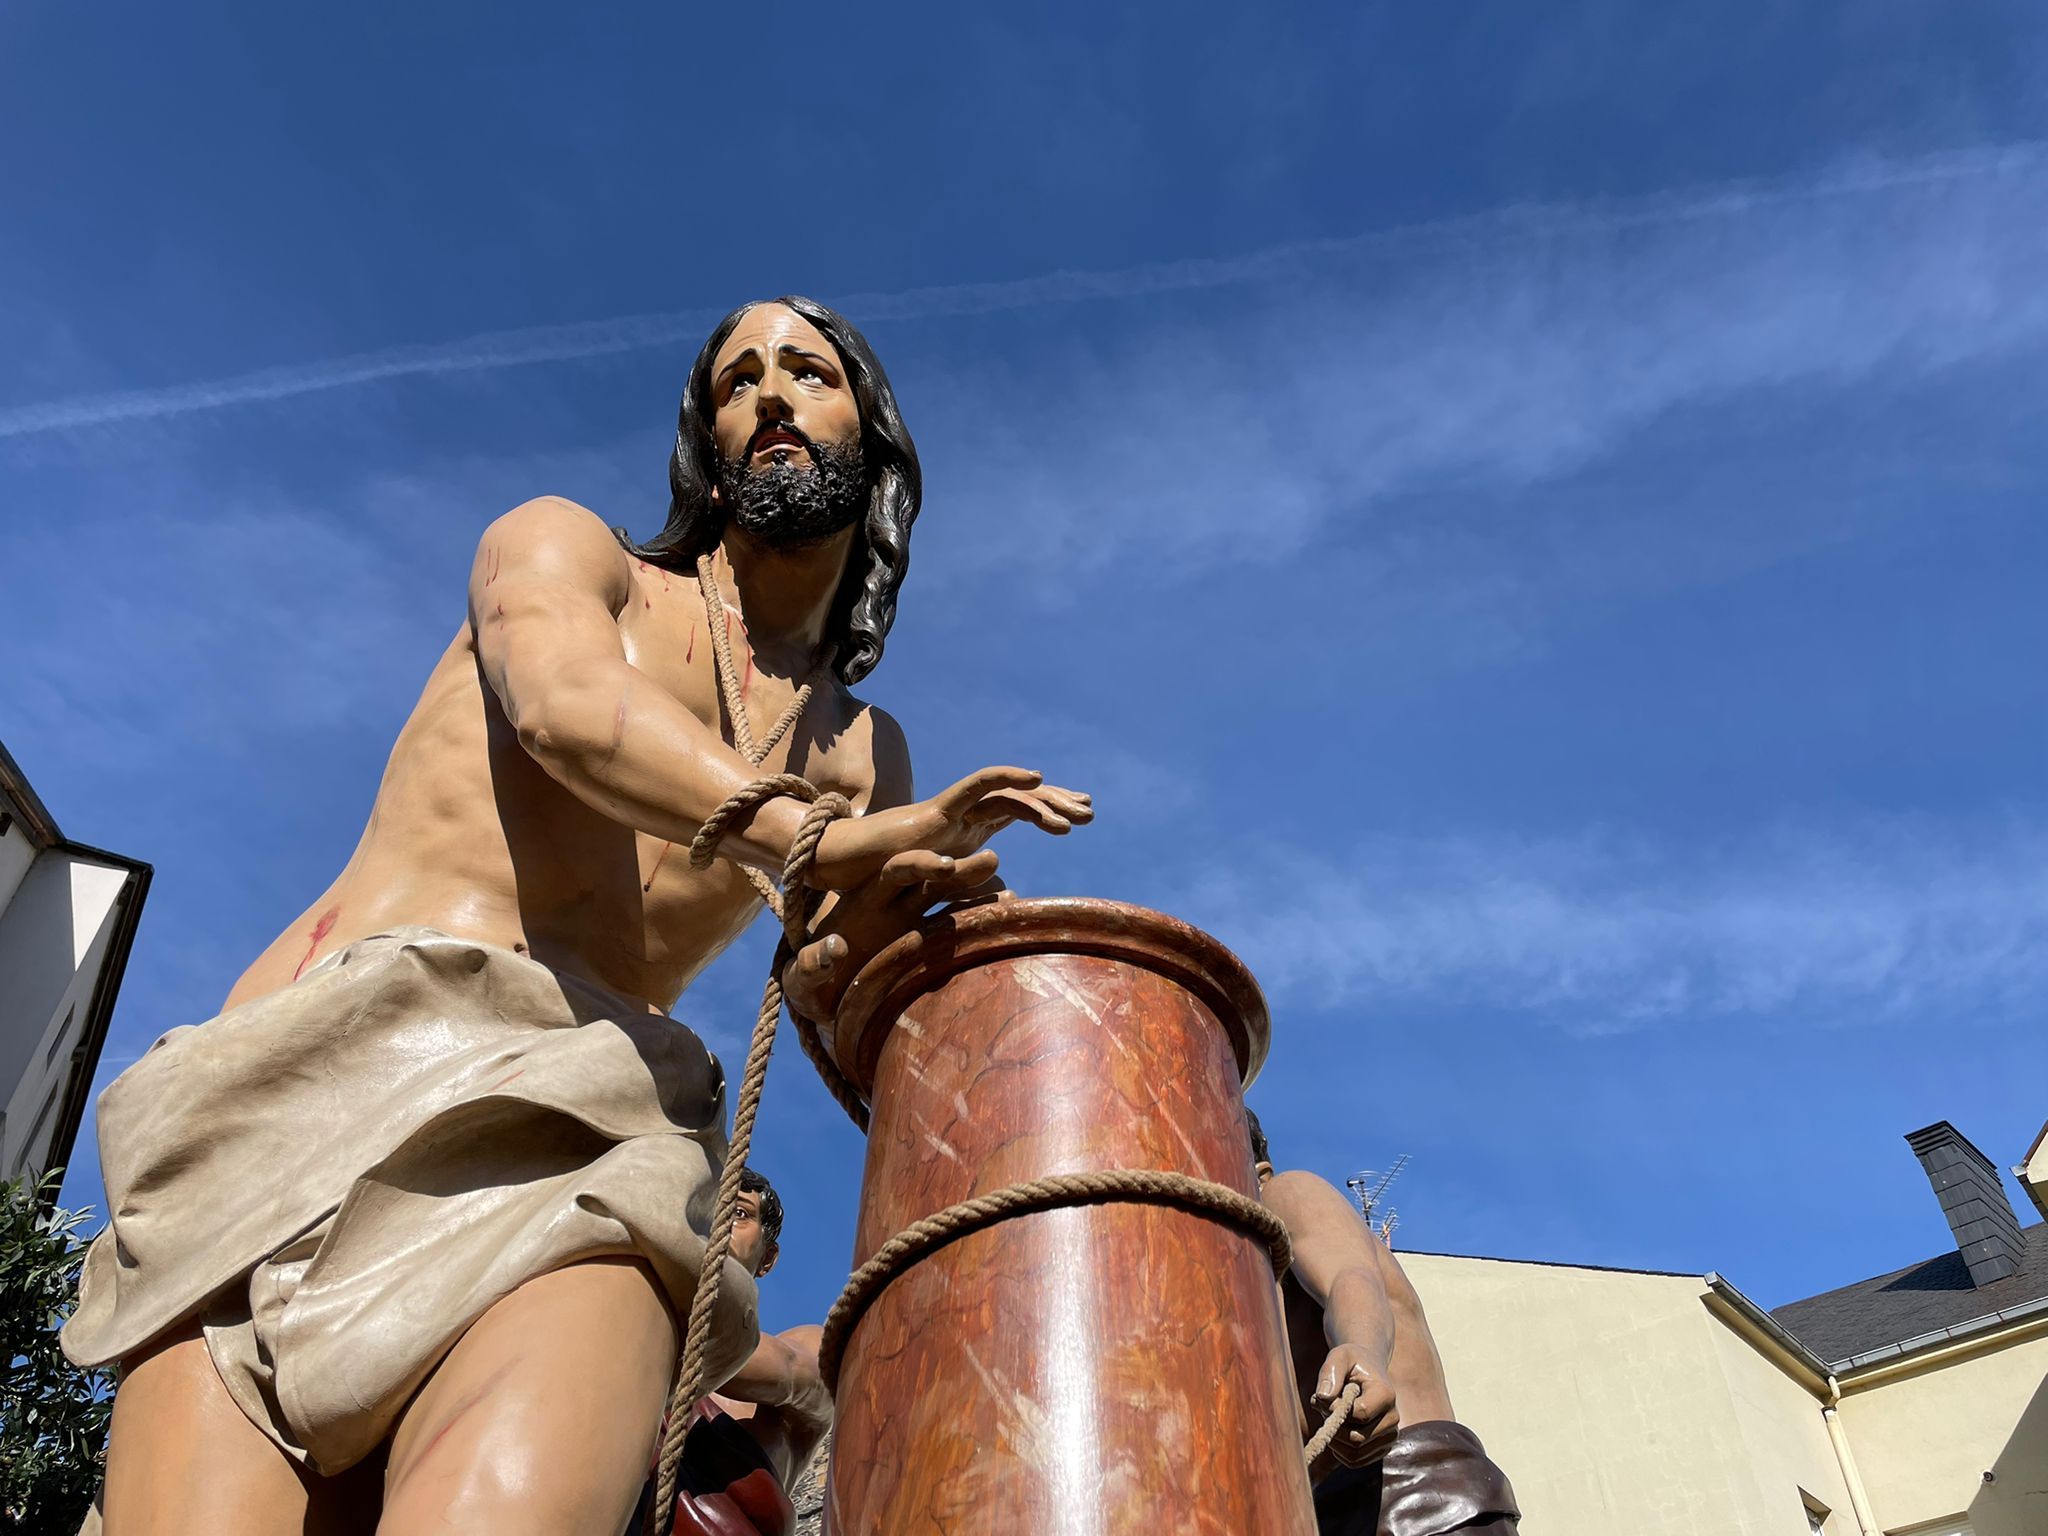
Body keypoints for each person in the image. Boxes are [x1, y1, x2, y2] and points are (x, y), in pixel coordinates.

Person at [62, 295, 1091, 1536]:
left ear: (869, 437)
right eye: (735, 380)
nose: (767, 393)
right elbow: (566, 707)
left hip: (585, 1133)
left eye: (807, 372)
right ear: (704, 445)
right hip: (304, 1098)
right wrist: (816, 839)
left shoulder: (865, 753)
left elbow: (837, 989)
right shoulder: (566, 552)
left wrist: (939, 968)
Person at [1248, 1112, 1521, 1536]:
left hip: (1416, 1498)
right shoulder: (1235, 1295)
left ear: (1256, 1170)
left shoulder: (1283, 1192)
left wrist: (1362, 1349)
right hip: (1327, 1513)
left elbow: (1350, 1278)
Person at [649, 1169, 832, 1536]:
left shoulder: (807, 1344)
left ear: (767, 1257)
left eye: (739, 1214)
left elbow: (790, 1370)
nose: (717, 1222)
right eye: (706, 1207)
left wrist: (648, 1322)